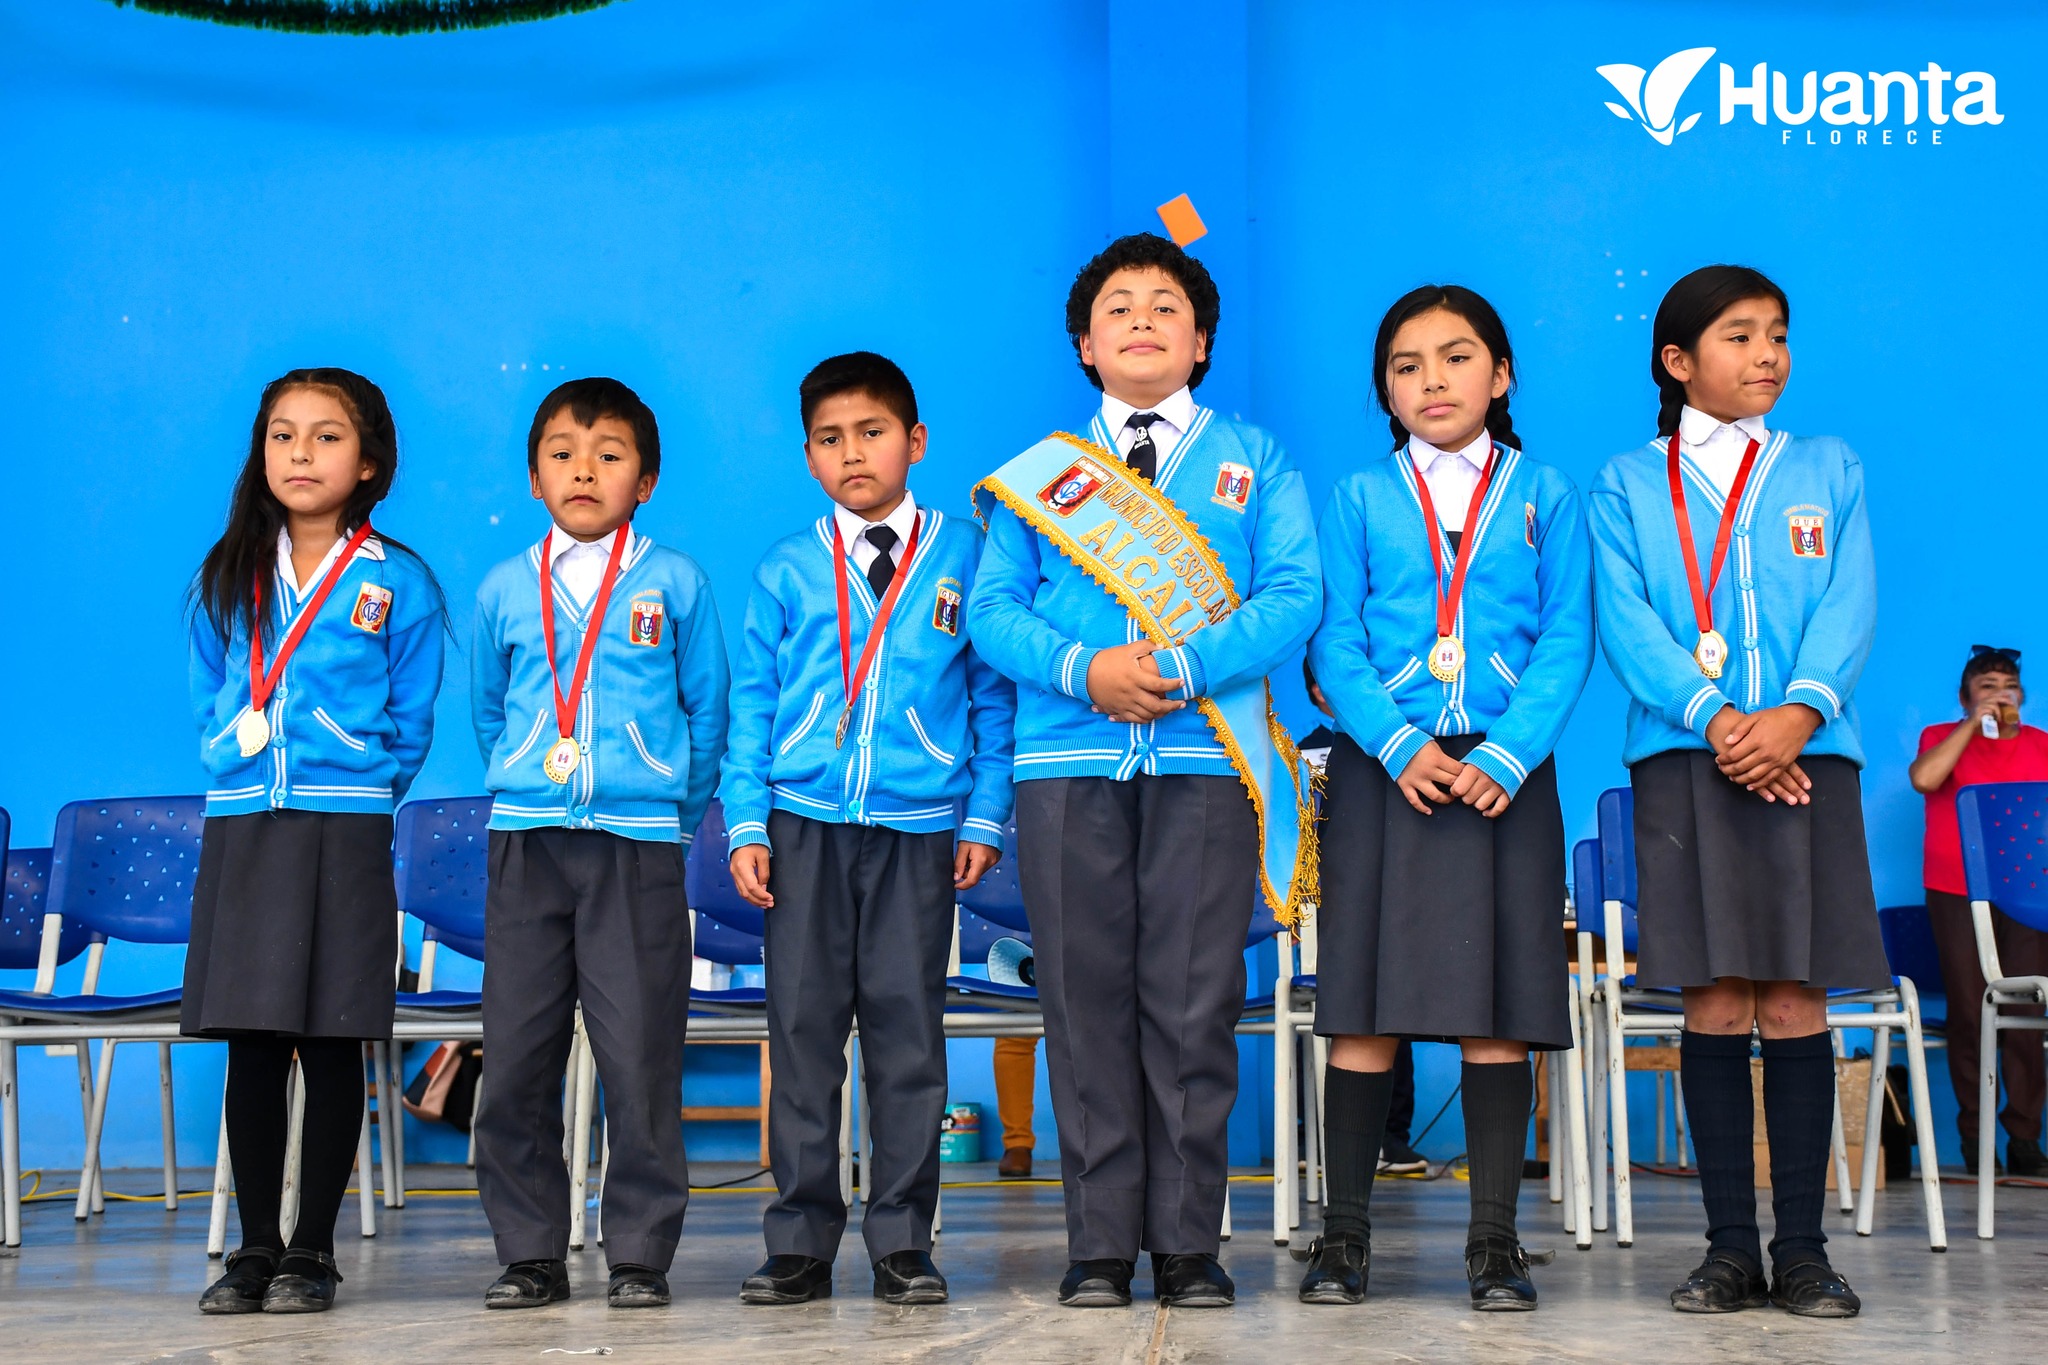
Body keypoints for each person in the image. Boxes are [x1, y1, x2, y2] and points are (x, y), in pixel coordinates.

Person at [969, 232, 1322, 1309]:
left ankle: (1183, 1243)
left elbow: (1292, 593)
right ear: (1083, 342)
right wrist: (1086, 670)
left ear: (1200, 340)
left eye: (1164, 305)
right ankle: (1095, 1246)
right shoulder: (1037, 478)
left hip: (1206, 764)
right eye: (1116, 305)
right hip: (1068, 763)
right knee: (1081, 1005)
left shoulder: (1253, 463)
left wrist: (1173, 665)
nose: (1139, 319)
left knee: (1190, 1004)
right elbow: (989, 613)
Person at [1589, 265, 1887, 1319]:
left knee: (1797, 996)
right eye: (1736, 336)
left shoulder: (1826, 465)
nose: (1765, 355)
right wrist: (1716, 720)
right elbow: (1625, 621)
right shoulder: (1627, 481)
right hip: (1686, 758)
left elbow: (1849, 599)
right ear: (1676, 362)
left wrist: (1796, 714)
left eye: (1776, 335)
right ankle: (1726, 1251)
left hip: (1809, 756)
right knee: (1714, 997)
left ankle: (1801, 1251)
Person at [1301, 286, 1593, 1311]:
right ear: (1383, 389)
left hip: (1502, 780)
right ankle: (1340, 1241)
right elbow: (1331, 639)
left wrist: (1508, 754)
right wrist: (1389, 741)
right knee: (1361, 1009)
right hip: (1390, 776)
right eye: (1405, 365)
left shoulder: (1544, 495)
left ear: (1499, 374)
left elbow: (1565, 636)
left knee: (1495, 1010)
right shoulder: (1357, 498)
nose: (1431, 380)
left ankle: (1495, 1241)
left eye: (1455, 357)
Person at [721, 352, 1015, 1305]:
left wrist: (985, 814)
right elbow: (752, 707)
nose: (853, 453)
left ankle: (902, 1241)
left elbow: (994, 701)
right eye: (830, 439)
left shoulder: (967, 556)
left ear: (915, 441)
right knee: (802, 1034)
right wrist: (745, 823)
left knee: (906, 1038)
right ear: (809, 456)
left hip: (920, 830)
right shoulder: (787, 567)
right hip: (803, 827)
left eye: (873, 432)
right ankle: (800, 1240)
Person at [186, 368, 445, 1314]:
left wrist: (355, 780)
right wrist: (235, 754)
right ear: (262, 455)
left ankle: (313, 1251)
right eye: (283, 435)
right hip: (246, 826)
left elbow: (411, 723)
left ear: (369, 461)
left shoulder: (398, 581)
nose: (301, 453)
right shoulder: (230, 574)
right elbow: (209, 692)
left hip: (344, 829)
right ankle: (253, 1248)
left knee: (333, 1041)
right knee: (254, 1043)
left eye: (326, 436)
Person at [470, 378, 730, 1310]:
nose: (585, 469)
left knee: (640, 1057)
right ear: (535, 477)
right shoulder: (505, 587)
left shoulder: (677, 581)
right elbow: (488, 712)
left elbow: (708, 711)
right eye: (563, 454)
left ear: (646, 479)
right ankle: (530, 1250)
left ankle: (640, 1254)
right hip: (528, 844)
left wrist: (666, 804)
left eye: (609, 453)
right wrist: (533, 776)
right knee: (517, 1054)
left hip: (637, 849)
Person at [1908, 644, 2048, 1176]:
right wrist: (1972, 725)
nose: (1998, 694)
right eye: (1986, 686)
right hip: (1955, 891)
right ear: (1965, 696)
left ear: (2023, 695)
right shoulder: (1940, 739)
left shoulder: (2042, 745)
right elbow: (1924, 780)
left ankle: (2025, 1138)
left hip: (2030, 894)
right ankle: (1974, 1135)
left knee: (2026, 1011)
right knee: (1970, 1011)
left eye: (2006, 685)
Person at [1300, 659, 1426, 1178]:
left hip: (1395, 890)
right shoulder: (1306, 752)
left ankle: (1392, 1138)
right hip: (1326, 901)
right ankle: (1316, 1139)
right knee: (1334, 1017)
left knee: (1397, 1010)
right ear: (1319, 692)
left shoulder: (1405, 750)